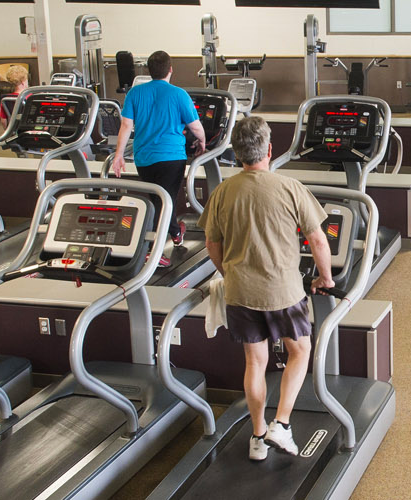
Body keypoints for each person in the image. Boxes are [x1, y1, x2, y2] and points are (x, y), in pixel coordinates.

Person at [200, 115, 338, 461]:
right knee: (300, 351)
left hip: (240, 293)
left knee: (255, 361)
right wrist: (326, 278)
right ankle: (282, 424)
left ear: (236, 153)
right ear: (270, 150)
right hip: (283, 292)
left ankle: (258, 437)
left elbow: (211, 244)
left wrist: (228, 272)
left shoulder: (222, 192)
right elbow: (319, 241)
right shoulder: (289, 187)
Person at [114, 51, 206, 245]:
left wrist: (119, 155)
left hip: (144, 158)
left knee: (159, 199)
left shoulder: (134, 93)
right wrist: (203, 142)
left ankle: (174, 233)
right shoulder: (179, 94)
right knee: (165, 200)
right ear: (170, 69)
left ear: (149, 71)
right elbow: (196, 126)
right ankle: (153, 248)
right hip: (171, 157)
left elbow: (125, 126)